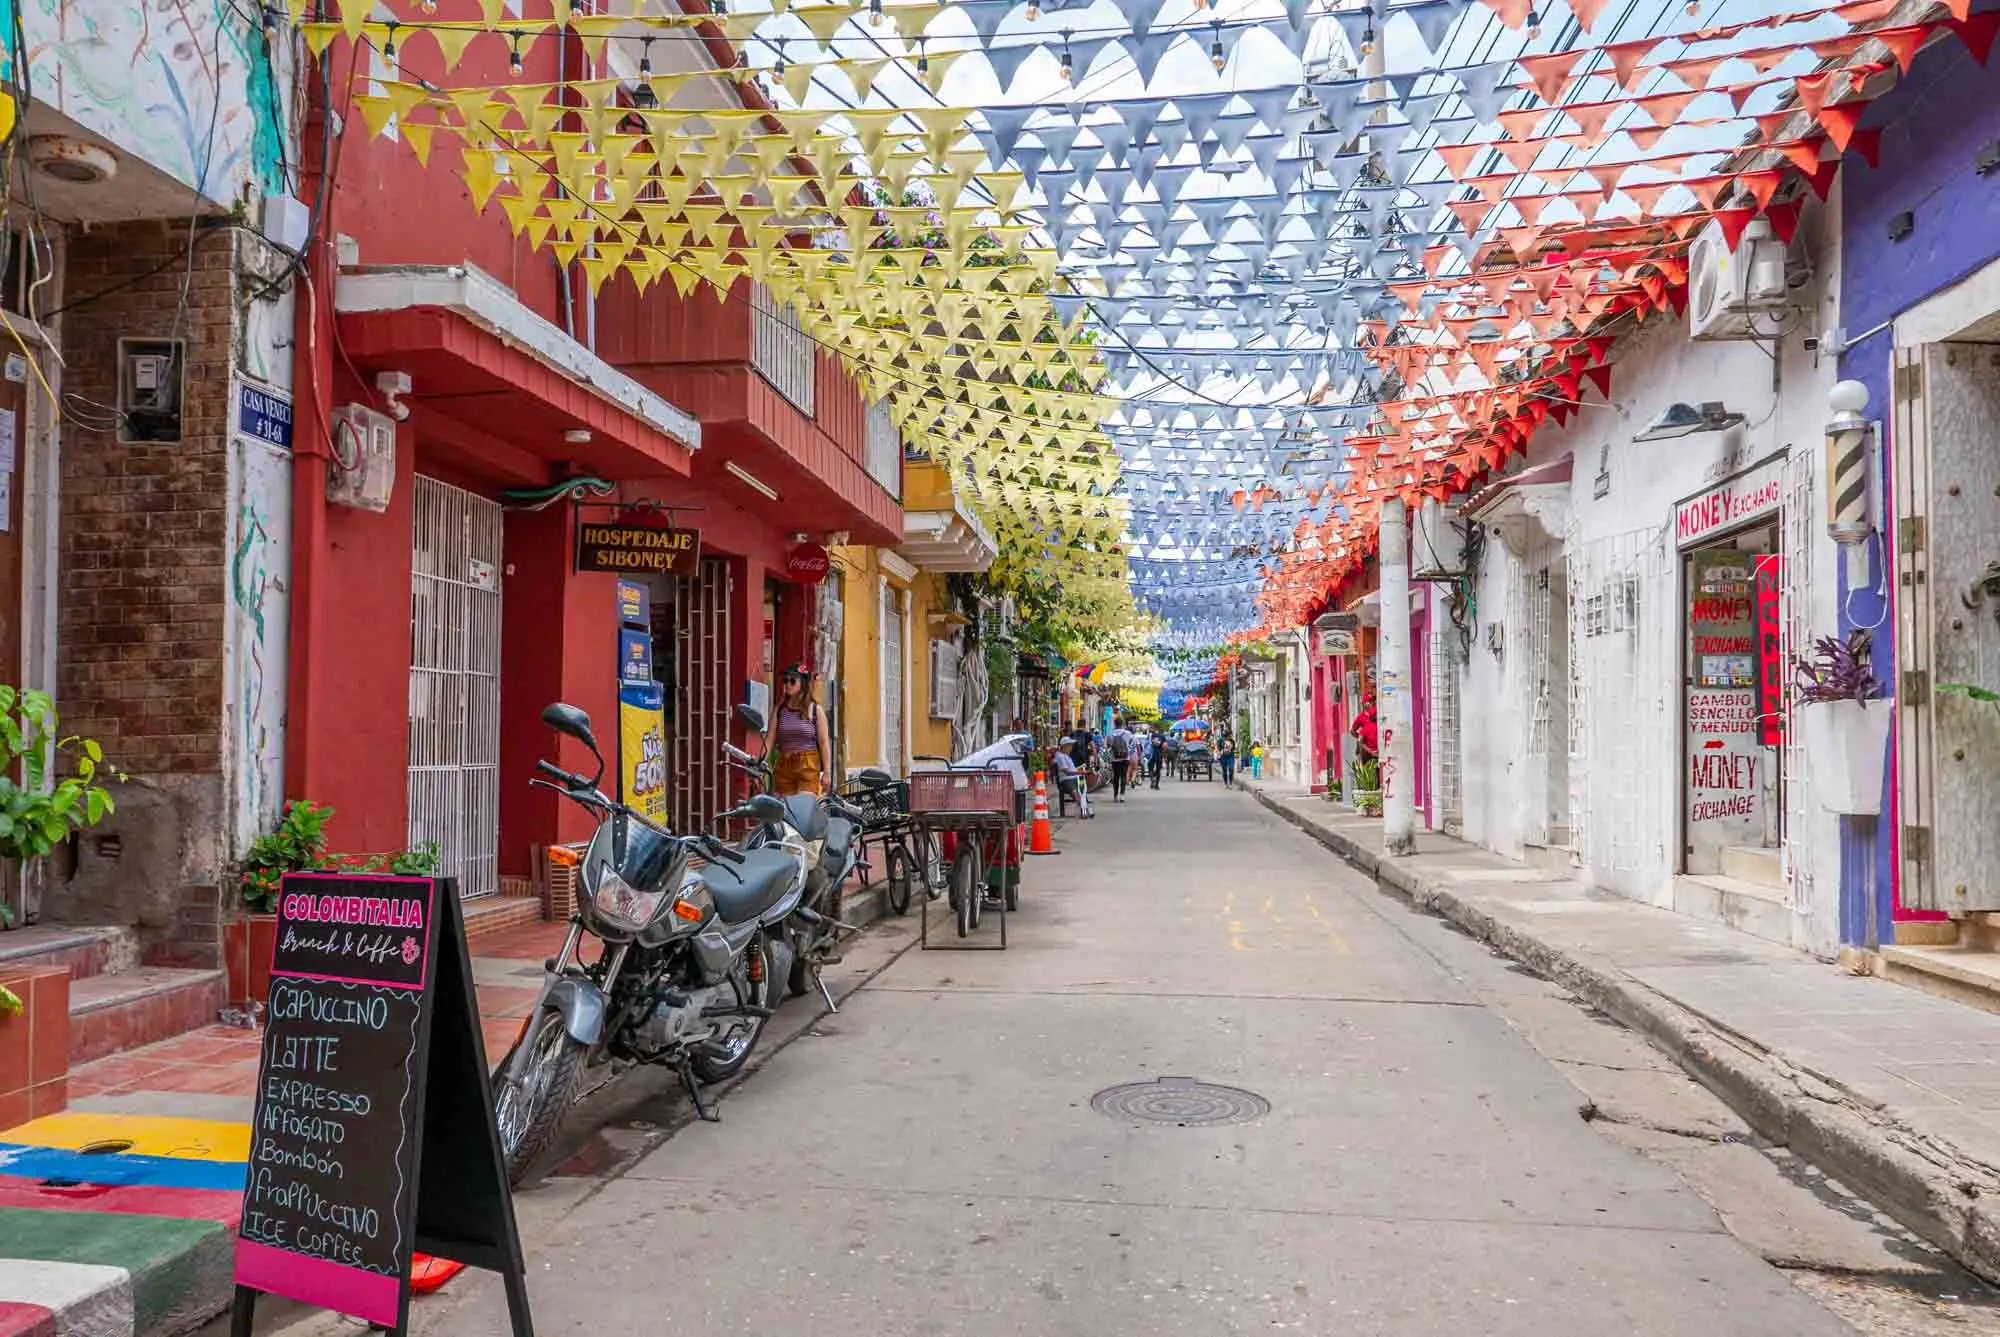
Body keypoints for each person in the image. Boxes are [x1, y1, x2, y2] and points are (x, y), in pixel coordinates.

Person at [772, 663, 832, 796]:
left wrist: (827, 772)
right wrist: (758, 763)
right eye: (785, 680)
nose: (788, 684)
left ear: (803, 684)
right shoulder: (780, 710)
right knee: (786, 806)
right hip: (784, 765)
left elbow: (823, 742)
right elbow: (769, 739)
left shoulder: (815, 710)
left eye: (792, 681)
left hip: (808, 764)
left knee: (803, 805)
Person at [1052, 738, 1093, 818]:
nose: (1071, 748)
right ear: (1064, 746)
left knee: (1082, 789)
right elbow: (1067, 772)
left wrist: (1081, 770)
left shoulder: (1066, 756)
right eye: (1070, 746)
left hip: (1073, 778)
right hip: (1067, 779)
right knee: (1077, 791)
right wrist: (1081, 772)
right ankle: (1084, 808)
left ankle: (1085, 808)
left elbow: (1072, 770)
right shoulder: (1060, 756)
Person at [1106, 718, 1135, 801]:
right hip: (1125, 758)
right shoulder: (1128, 733)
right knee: (1123, 776)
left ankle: (1115, 795)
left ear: (1114, 724)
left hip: (1114, 758)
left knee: (1116, 776)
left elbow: (1108, 745)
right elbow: (1132, 744)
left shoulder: (1110, 733)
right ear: (1122, 724)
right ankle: (1122, 795)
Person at [1350, 698, 1379, 763]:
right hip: (1366, 749)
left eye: (1371, 701)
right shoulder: (1361, 717)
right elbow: (1352, 731)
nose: (1370, 703)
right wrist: (1361, 737)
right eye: (1368, 701)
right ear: (1364, 704)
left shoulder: (1376, 712)